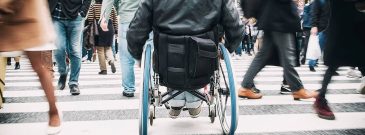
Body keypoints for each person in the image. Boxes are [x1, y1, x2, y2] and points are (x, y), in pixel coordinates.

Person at [126, 0, 243, 118]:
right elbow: (236, 28)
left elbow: (136, 31)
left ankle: (176, 100)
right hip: (204, 59)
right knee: (200, 53)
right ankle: (193, 101)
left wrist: (137, 54)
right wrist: (228, 48)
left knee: (172, 52)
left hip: (167, 61)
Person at [0, 0, 61, 134]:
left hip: (29, 14)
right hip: (6, 18)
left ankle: (53, 111)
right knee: (40, 66)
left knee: (39, 67)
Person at [239, 0, 318, 100]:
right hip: (280, 16)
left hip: (271, 15)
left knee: (263, 56)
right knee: (287, 56)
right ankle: (297, 89)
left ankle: (245, 86)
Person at [313, 0, 365, 120]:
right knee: (334, 64)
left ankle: (320, 99)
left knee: (361, 60)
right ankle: (320, 99)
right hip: (343, 25)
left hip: (356, 24)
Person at [48, 0, 91, 95]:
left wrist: (83, 12)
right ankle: (63, 71)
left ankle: (74, 83)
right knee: (58, 47)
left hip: (75, 16)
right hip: (56, 16)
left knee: (75, 50)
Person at [100, 0, 140, 97]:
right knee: (151, 55)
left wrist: (104, 18)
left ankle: (129, 88)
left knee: (126, 58)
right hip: (150, 17)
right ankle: (151, 85)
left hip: (128, 18)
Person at [87, 0, 118, 75]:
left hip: (98, 27)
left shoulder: (93, 6)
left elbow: (90, 18)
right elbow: (115, 19)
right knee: (108, 47)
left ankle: (103, 69)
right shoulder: (111, 6)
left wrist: (89, 27)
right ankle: (111, 60)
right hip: (109, 26)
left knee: (100, 49)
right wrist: (116, 29)